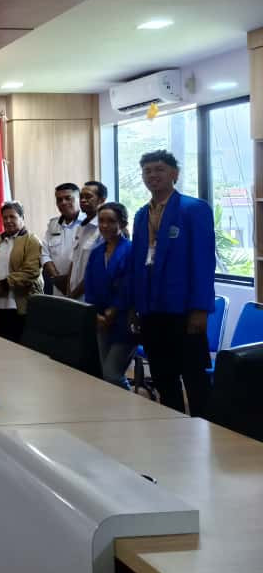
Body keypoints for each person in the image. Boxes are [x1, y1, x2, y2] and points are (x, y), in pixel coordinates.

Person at [131, 150, 215, 417]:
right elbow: (137, 264)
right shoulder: (141, 215)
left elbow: (203, 263)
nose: (153, 175)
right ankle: (173, 426)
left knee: (194, 377)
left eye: (159, 169)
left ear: (174, 174)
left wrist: (200, 309)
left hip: (184, 309)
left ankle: (207, 429)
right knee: (163, 376)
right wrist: (136, 307)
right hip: (151, 309)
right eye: (147, 171)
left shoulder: (193, 209)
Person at [84, 202, 136, 389]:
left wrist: (112, 311)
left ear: (122, 223)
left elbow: (130, 285)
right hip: (100, 320)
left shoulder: (131, 250)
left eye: (111, 221)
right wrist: (95, 314)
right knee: (104, 376)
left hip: (123, 320)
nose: (105, 225)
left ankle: (132, 404)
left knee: (112, 374)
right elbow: (89, 284)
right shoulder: (96, 252)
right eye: (101, 221)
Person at [0, 201, 43, 343]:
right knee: (2, 344)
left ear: (22, 218)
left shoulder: (31, 240)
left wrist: (4, 284)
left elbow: (31, 271)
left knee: (22, 346)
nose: (8, 221)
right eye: (5, 217)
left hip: (22, 304)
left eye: (12, 217)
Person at [40, 183, 85, 296]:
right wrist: (57, 278)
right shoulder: (53, 224)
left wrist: (69, 280)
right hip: (57, 285)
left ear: (79, 199)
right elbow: (44, 253)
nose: (63, 202)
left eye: (68, 198)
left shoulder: (88, 224)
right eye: (59, 200)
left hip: (82, 286)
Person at [67, 181, 107, 300]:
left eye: (88, 196)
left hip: (90, 297)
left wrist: (73, 296)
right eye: (81, 197)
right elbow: (73, 262)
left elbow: (97, 270)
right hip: (73, 296)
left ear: (102, 200)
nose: (83, 200)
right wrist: (69, 292)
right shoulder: (81, 227)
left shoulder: (103, 229)